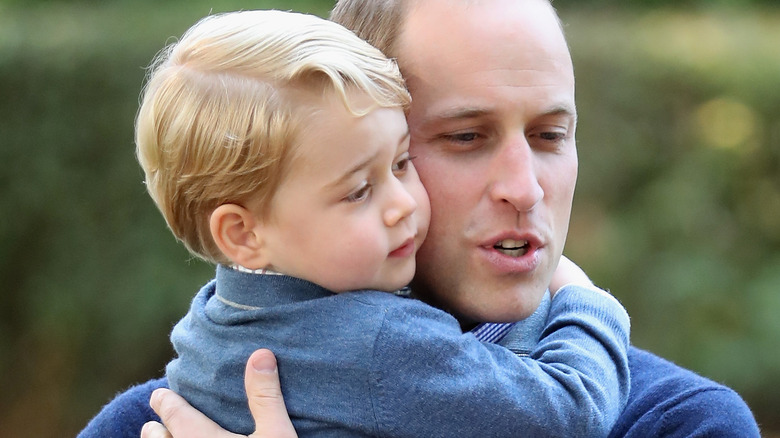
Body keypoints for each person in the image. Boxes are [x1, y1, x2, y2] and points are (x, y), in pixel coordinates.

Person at [104, 0, 764, 436]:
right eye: (465, 137)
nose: (525, 188)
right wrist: (591, 304)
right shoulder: (161, 422)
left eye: (549, 134)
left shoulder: (680, 425)